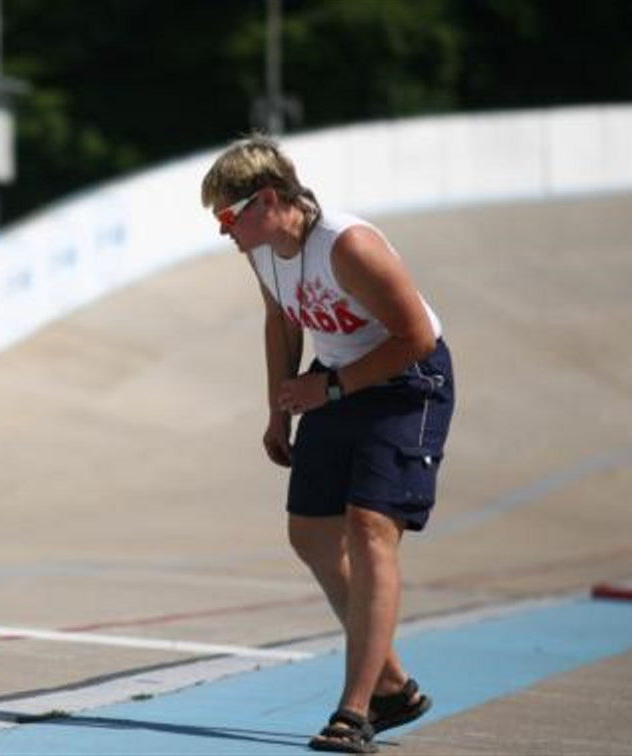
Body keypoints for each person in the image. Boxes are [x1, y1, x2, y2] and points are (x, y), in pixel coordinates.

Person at [201, 134, 454, 754]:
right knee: (311, 533)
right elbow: (282, 319)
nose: (223, 232)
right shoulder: (263, 251)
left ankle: (357, 709)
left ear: (266, 201)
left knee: (370, 528)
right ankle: (392, 681)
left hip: (404, 385)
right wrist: (278, 408)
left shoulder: (349, 246)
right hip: (335, 384)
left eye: (227, 217)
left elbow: (415, 336)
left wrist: (330, 390)